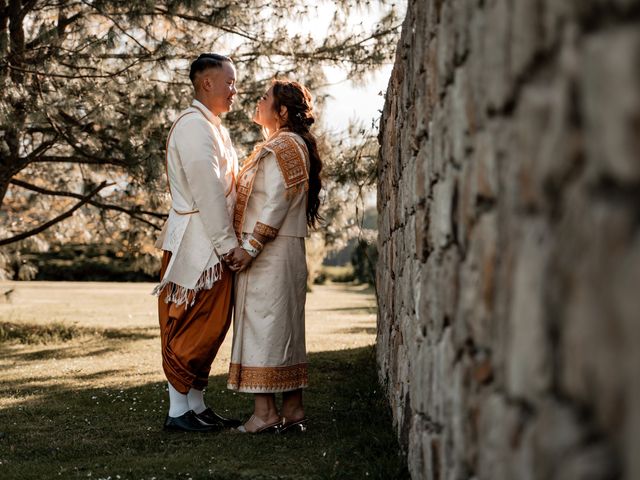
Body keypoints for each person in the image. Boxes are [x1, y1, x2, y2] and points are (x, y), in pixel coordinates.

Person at [152, 53, 243, 432]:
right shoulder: (194, 127)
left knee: (212, 325)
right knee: (192, 324)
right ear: (207, 83)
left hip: (210, 243)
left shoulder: (212, 126)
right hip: (198, 246)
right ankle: (177, 413)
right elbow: (207, 191)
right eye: (230, 82)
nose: (234, 90)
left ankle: (196, 406)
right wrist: (228, 245)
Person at [226, 80, 323, 434]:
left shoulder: (285, 144)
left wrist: (250, 247)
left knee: (265, 326)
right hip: (278, 250)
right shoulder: (282, 144)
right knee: (281, 327)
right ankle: (293, 410)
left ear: (282, 111)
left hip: (270, 250)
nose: (258, 101)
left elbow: (277, 200)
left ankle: (265, 414)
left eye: (264, 97)